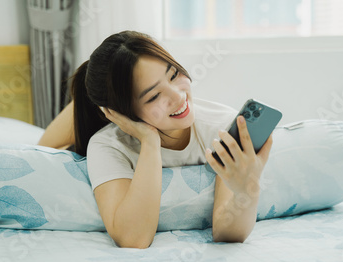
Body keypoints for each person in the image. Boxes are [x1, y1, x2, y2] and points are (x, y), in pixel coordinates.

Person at [37, 30, 273, 248]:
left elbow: (227, 234)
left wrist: (246, 190)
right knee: (43, 151)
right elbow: (134, 239)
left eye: (173, 74)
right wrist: (150, 142)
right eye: (153, 96)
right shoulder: (107, 144)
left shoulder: (223, 128)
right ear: (123, 113)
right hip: (101, 127)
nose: (178, 96)